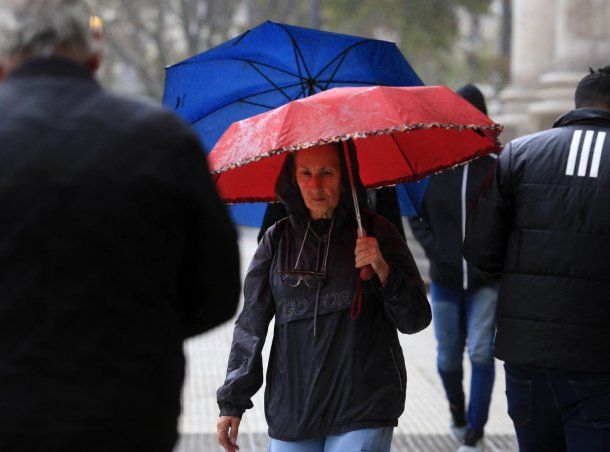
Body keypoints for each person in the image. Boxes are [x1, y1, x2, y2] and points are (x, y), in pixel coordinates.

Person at [0, 1, 241, 451]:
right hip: (127, 415)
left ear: (2, 61)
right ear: (95, 56)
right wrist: (140, 329)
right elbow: (217, 293)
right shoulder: (162, 139)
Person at [216, 143, 431, 452]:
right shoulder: (276, 240)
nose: (315, 185)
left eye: (326, 173)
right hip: (293, 408)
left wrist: (384, 269)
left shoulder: (376, 232)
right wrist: (231, 402)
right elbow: (251, 324)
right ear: (293, 179)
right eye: (306, 173)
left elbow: (416, 319)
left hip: (363, 404)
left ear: (345, 177)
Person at [463, 66, 610, 452]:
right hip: (600, 365)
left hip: (527, 358)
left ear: (577, 104)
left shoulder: (520, 154)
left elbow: (480, 252)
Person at [407, 84, 498, 452]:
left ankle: (475, 431)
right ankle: (457, 412)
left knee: (480, 351)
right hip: (444, 280)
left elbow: (507, 217)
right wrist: (435, 248)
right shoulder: (433, 168)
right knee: (447, 356)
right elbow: (416, 215)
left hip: (485, 279)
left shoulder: (496, 167)